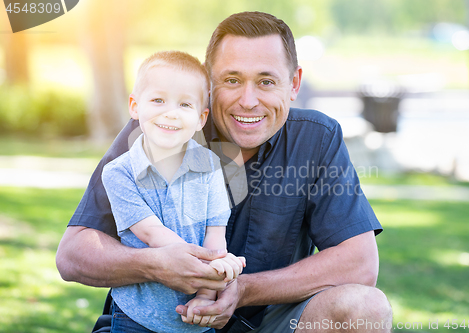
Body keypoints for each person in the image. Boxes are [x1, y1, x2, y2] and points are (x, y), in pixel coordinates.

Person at [57, 11, 393, 333]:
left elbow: (360, 264)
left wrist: (244, 289)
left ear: (293, 83)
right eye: (232, 80)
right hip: (154, 324)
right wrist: (157, 264)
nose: (248, 101)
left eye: (266, 81)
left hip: (266, 324)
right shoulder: (157, 129)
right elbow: (73, 255)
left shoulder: (317, 138)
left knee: (365, 308)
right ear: (208, 81)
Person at [101, 50, 245, 332]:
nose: (170, 112)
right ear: (134, 105)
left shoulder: (211, 166)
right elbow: (151, 233)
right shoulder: (119, 172)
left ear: (202, 118)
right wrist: (212, 264)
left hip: (194, 319)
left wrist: (206, 292)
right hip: (136, 317)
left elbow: (215, 233)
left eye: (185, 104)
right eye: (158, 100)